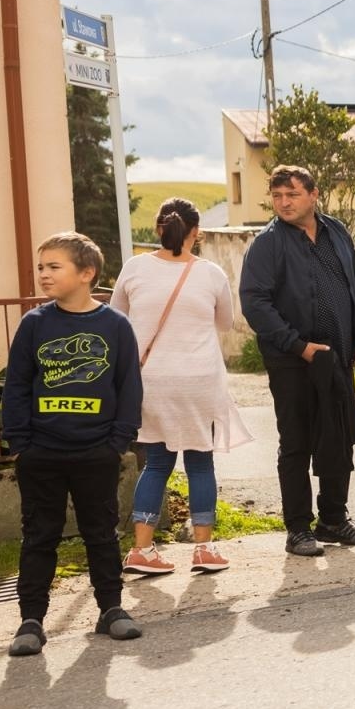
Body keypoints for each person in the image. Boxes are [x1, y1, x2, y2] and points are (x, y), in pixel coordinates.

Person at [4, 233, 144, 655]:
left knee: (100, 533)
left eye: (54, 266)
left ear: (87, 274)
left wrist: (118, 441)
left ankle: (111, 609)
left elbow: (129, 387)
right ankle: (31, 620)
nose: (44, 274)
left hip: (96, 452)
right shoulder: (34, 324)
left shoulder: (115, 326)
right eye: (41, 267)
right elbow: (17, 386)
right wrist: (20, 442)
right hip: (42, 453)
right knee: (39, 536)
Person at [111, 199, 253, 576]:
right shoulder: (210, 273)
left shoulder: (135, 268)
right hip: (199, 380)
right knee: (200, 463)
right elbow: (225, 323)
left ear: (158, 229)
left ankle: (141, 550)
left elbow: (117, 319)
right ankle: (203, 549)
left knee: (157, 464)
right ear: (197, 233)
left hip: (152, 380)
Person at [240, 165, 355, 556]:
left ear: (313, 195)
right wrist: (297, 345)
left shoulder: (336, 231)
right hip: (292, 360)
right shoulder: (267, 243)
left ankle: (333, 519)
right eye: (277, 196)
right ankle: (298, 528)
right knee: (297, 441)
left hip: (337, 356)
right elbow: (255, 302)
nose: (283, 203)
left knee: (339, 436)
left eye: (292, 195)